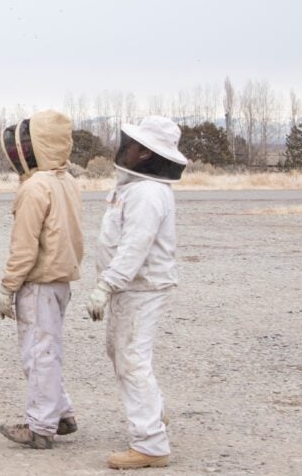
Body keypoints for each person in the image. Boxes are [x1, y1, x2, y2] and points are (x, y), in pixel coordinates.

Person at [85, 116, 188, 470]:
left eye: (132, 145)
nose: (125, 149)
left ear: (145, 153)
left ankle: (150, 443)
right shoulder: (135, 187)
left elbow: (134, 247)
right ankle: (154, 413)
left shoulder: (147, 193)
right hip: (132, 286)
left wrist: (105, 285)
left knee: (131, 360)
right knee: (119, 352)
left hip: (140, 287)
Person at [0, 110, 85, 450]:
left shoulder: (35, 187)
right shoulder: (67, 181)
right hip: (61, 283)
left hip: (41, 284)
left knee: (38, 354)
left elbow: (24, 247)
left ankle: (40, 427)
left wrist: (8, 285)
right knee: (49, 350)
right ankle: (61, 414)